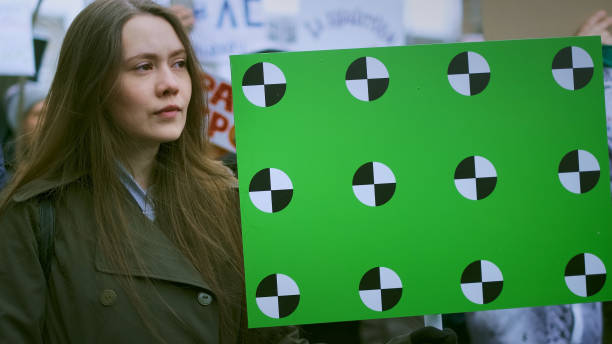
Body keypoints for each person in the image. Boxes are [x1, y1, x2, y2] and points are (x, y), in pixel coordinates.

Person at [0, 1, 457, 343]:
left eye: (179, 63)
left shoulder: (227, 199)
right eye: (144, 67)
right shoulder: (34, 217)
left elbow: (271, 342)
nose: (170, 83)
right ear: (92, 85)